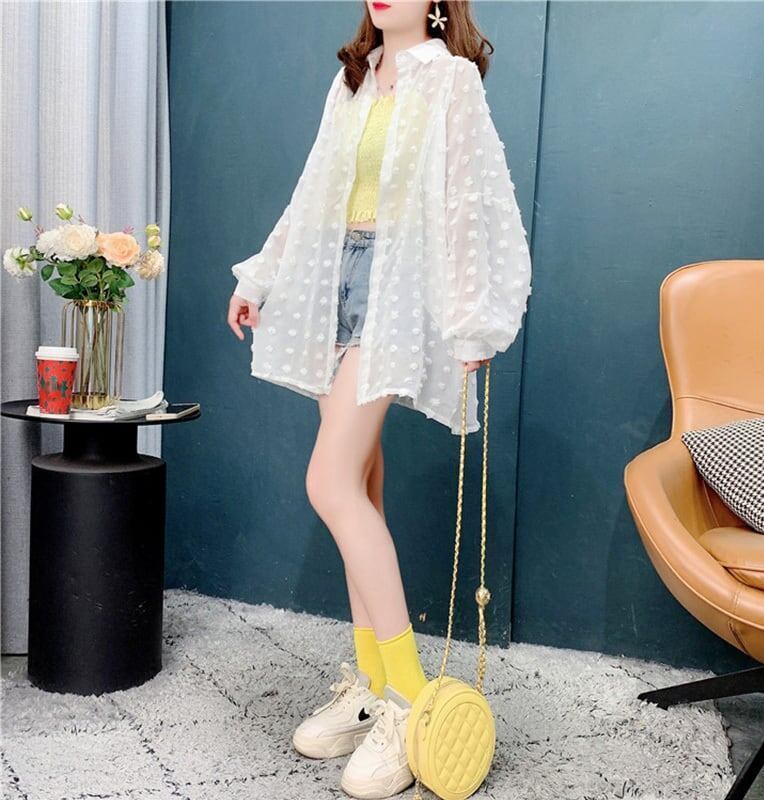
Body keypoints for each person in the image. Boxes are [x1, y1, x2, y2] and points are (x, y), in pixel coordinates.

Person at [226, 2, 532, 797]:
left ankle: (407, 701)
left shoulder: (450, 79)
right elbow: (314, 190)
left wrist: (474, 320)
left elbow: (471, 203)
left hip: (397, 287)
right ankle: (370, 686)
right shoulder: (354, 78)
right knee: (359, 483)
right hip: (331, 278)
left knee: (328, 482)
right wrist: (262, 276)